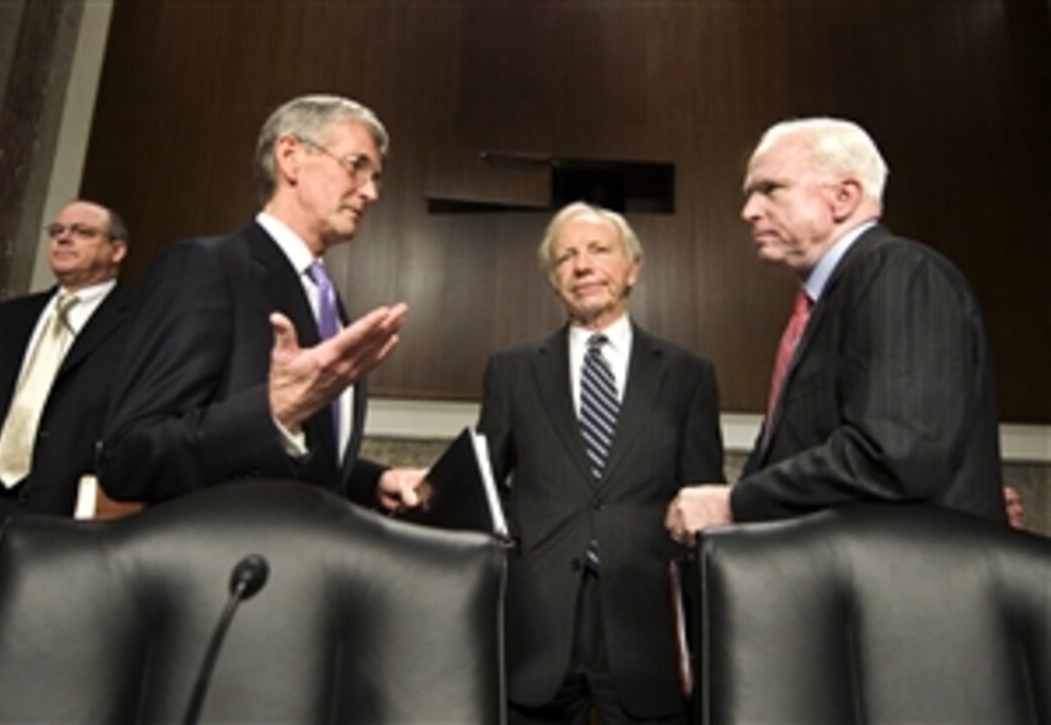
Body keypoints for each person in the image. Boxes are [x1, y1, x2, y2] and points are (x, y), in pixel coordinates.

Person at [666, 117, 1006, 545]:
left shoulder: (899, 272)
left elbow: (894, 455)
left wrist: (735, 503)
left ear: (843, 197)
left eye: (770, 189)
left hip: (905, 597)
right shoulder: (830, 299)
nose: (749, 211)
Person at [98, 94, 423, 511]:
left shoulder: (325, 299)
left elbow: (301, 461)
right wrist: (272, 411)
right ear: (290, 157)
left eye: (377, 177)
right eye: (357, 166)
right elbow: (129, 458)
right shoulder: (205, 268)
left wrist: (374, 481)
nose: (372, 192)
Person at [478, 202, 725, 723]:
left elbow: (704, 500)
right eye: (565, 257)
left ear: (633, 268)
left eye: (597, 251)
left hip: (645, 629)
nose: (582, 266)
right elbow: (485, 488)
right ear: (554, 279)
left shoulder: (688, 375)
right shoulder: (511, 370)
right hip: (538, 626)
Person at [0, 200, 133, 610]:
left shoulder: (140, 325)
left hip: (65, 519)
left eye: (82, 231)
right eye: (57, 231)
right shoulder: (4, 320)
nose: (64, 238)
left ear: (117, 250)